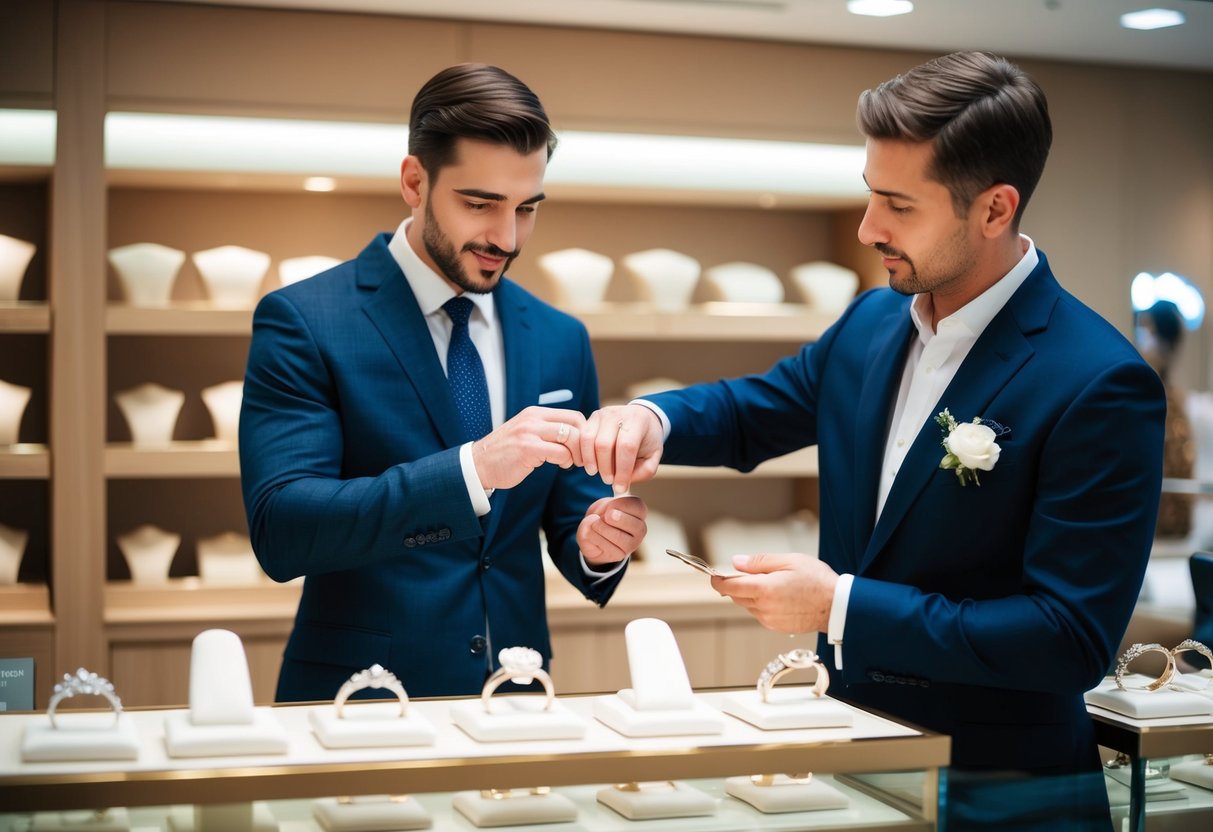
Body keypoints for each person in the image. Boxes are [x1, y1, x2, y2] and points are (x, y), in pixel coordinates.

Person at [580, 51, 1164, 830]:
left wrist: (838, 604)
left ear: (993, 210)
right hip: (851, 774)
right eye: (868, 195)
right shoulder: (869, 321)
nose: (867, 229)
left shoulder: (1098, 381)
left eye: (897, 205)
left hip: (1008, 796)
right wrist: (652, 418)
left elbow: (1066, 639)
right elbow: (760, 408)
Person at [239, 63, 646, 703]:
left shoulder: (561, 336)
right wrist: (474, 470)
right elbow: (284, 529)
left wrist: (599, 545)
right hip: (360, 704)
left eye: (527, 208)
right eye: (480, 204)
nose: (506, 239)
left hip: (518, 701)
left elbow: (570, 520)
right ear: (414, 182)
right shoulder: (305, 320)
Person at [1134, 299, 1195, 538]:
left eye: (1148, 332)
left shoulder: (1174, 403)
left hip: (1167, 527)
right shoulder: (1150, 395)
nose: (1143, 341)